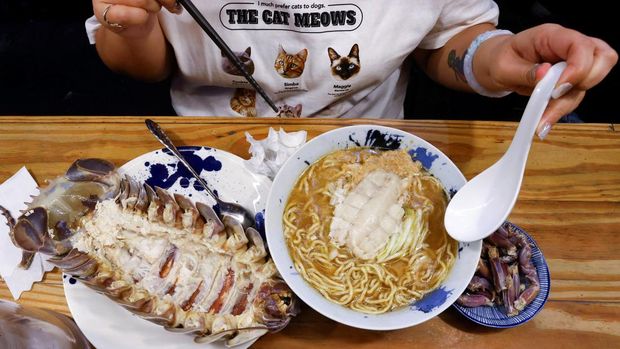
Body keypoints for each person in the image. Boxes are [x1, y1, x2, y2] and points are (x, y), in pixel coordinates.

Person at [86, 0, 616, 138]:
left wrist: (498, 61)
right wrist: (128, 25)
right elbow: (144, 66)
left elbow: (446, 41)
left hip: (368, 147)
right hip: (211, 146)